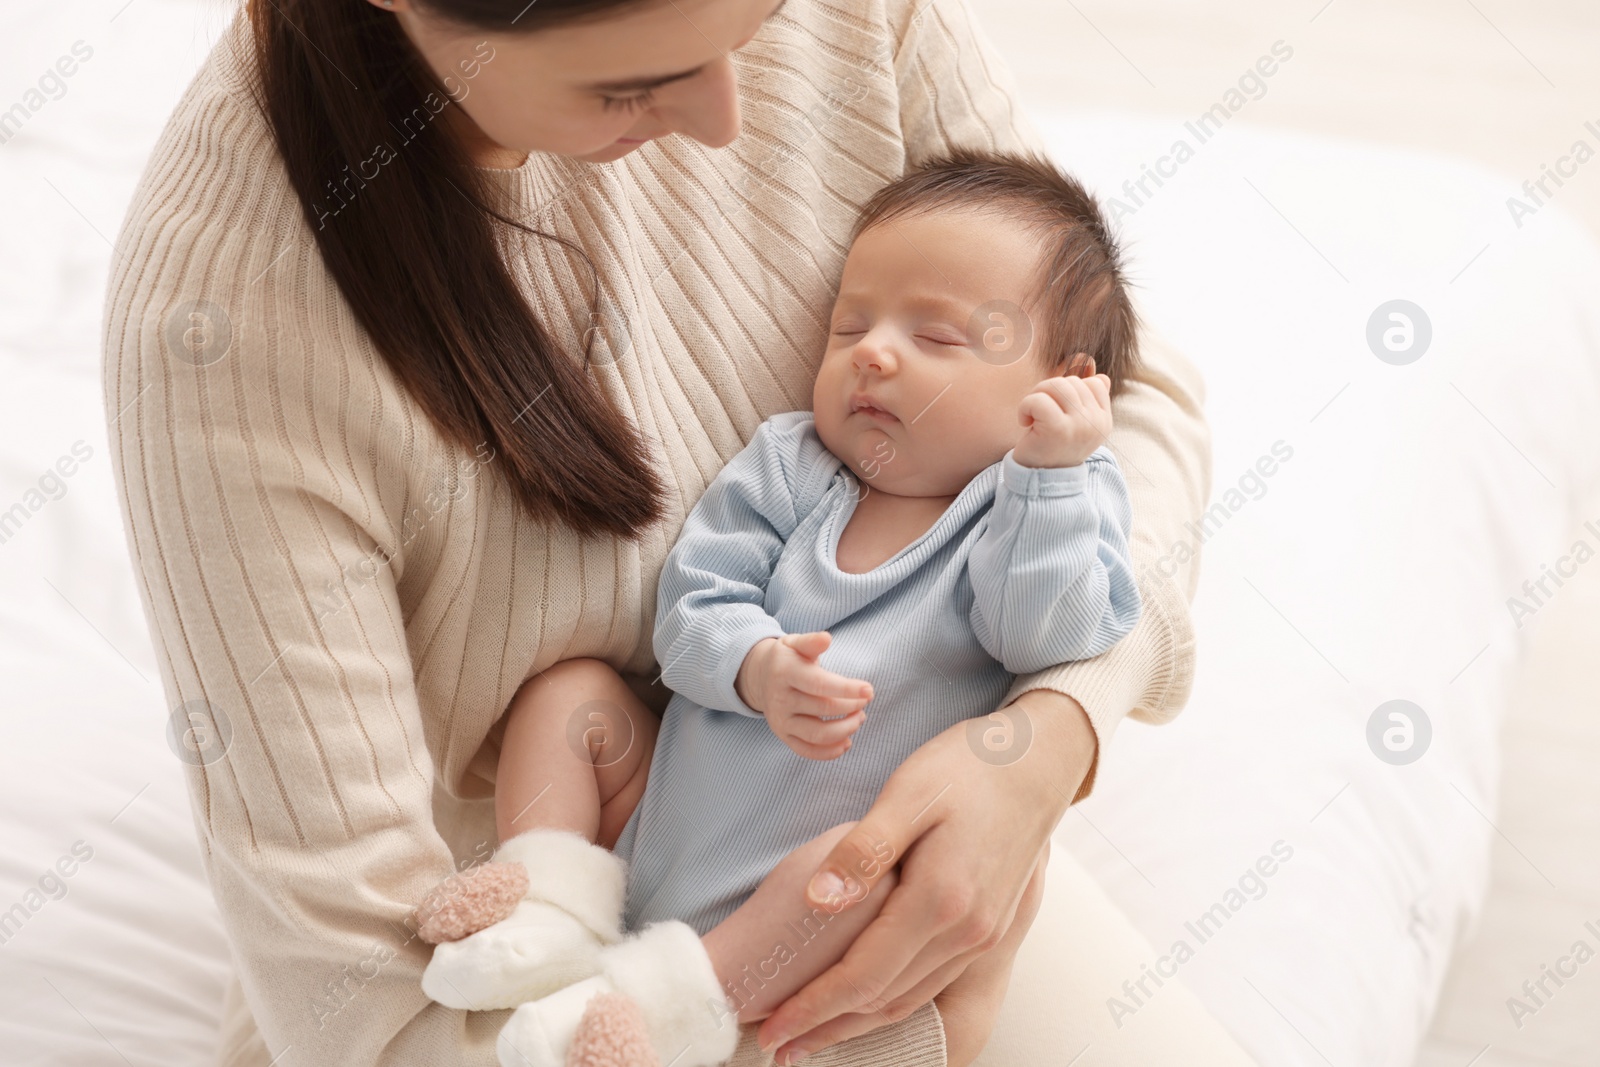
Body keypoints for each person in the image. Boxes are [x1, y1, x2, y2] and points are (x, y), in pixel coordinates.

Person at [102, 0, 1257, 1063]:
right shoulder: (227, 331)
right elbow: (361, 1002)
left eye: (754, 21)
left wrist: (1046, 743)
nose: (725, 119)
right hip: (491, 1012)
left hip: (880, 858)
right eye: (633, 85)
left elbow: (1129, 400)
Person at [416, 150, 1143, 1067]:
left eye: (938, 337)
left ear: (1065, 383)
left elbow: (1049, 635)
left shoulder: (1048, 499)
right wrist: (755, 667)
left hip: (799, 912)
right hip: (652, 827)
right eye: (851, 325)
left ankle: (659, 1012)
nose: (874, 352)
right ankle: (549, 909)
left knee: (863, 867)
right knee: (573, 696)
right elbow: (691, 607)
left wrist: (1049, 478)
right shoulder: (794, 463)